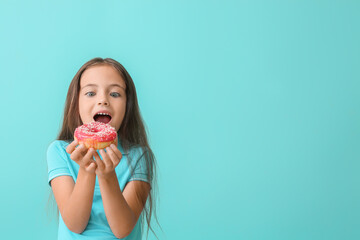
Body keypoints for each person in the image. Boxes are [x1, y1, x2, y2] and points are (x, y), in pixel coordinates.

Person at [46, 57, 160, 240]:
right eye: (91, 93)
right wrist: (87, 169)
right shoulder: (60, 152)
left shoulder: (139, 156)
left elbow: (122, 229)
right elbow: (75, 223)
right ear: (76, 104)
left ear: (127, 107)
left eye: (114, 94)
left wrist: (107, 176)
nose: (103, 100)